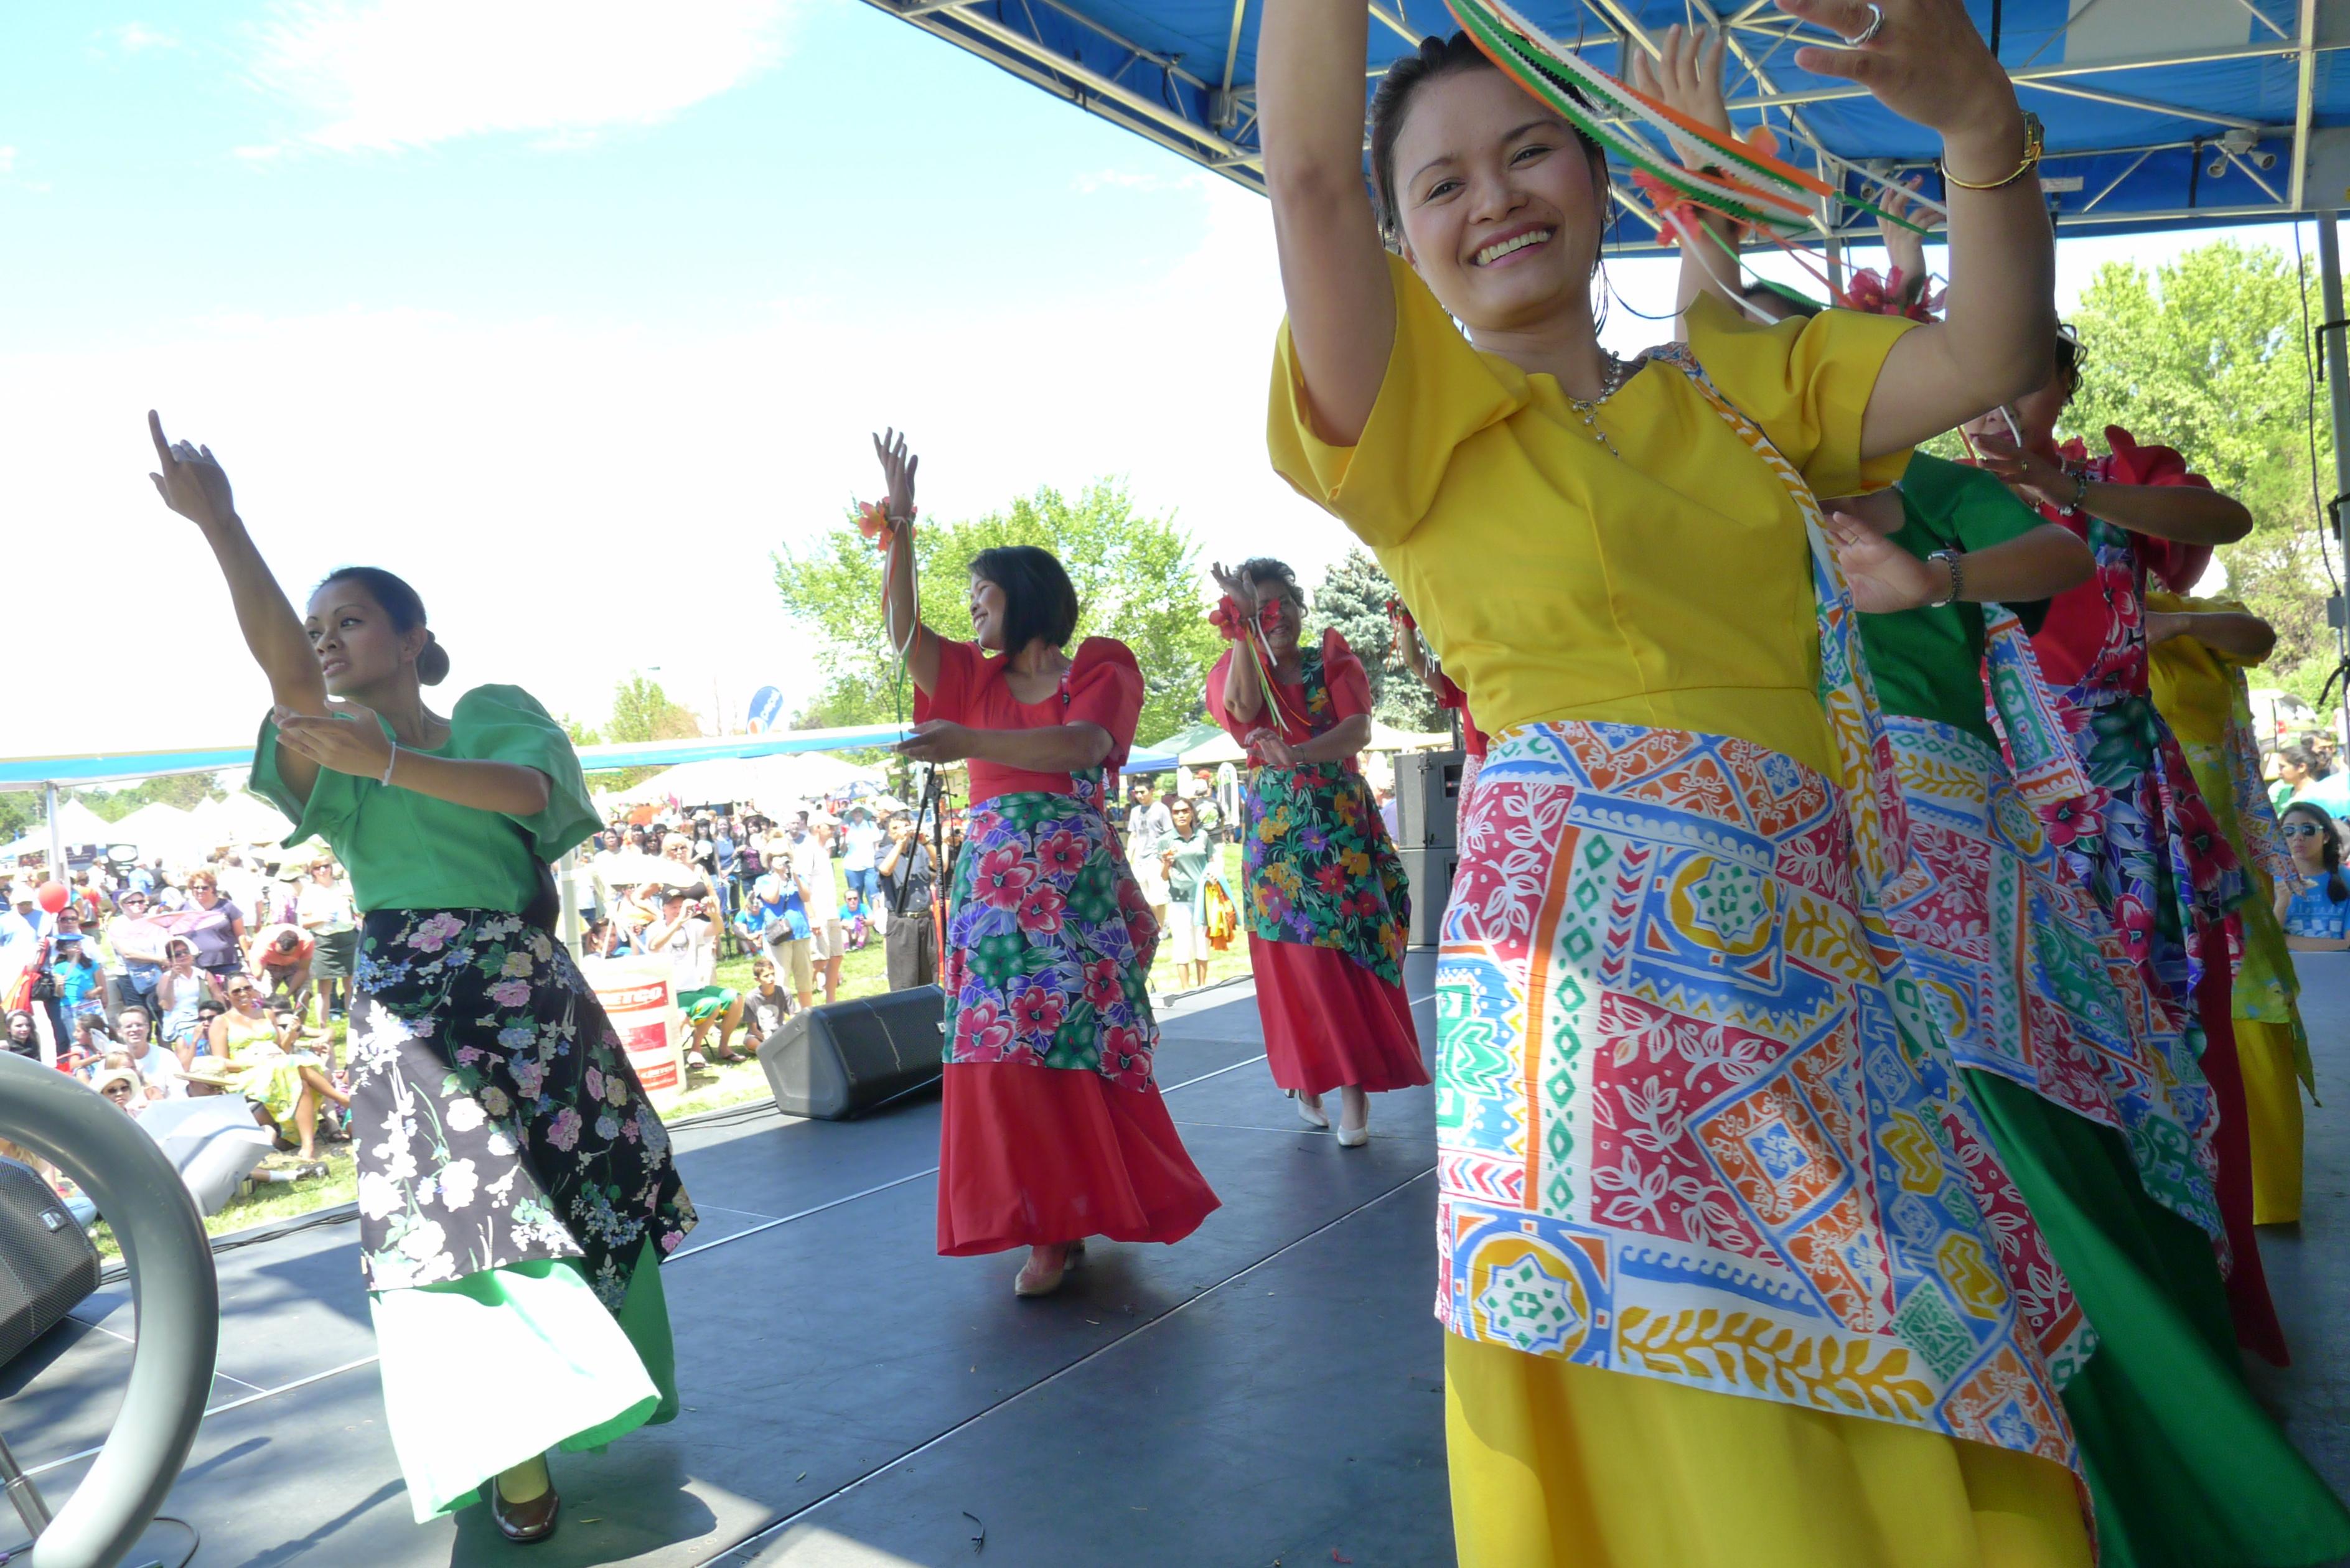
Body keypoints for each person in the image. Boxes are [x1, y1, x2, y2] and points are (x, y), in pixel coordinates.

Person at [1258, 1, 2104, 1558]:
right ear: (1397, 242)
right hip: (1583, 999)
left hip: (1810, 965)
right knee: (1673, 1408)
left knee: (1916, 1361)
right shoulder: (1403, 421)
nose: (1493, 197)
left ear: (1595, 178)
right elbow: (1306, 174)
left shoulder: (1736, 391)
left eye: (1527, 154)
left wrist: (1983, 133)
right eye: (1439, 184)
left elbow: (1992, 351)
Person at [148, 413, 693, 1540]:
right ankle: (512, 1449)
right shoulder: (330, 757)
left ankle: (570, 1410)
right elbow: (284, 672)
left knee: (575, 1204)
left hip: (529, 1000)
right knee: (451, 1224)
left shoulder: (490, 716)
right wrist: (223, 525)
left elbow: (527, 799)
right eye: (319, 626)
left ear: (413, 636)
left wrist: (397, 760)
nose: (329, 638)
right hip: (411, 1010)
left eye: (350, 618)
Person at [1960, 332, 2288, 1365]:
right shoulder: (1932, 498)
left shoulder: (2117, 481)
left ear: (2060, 388)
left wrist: (2070, 490)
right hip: (1992, 806)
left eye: (2020, 378)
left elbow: (2222, 519)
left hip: (2122, 811)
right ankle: (2050, 1305)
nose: (1994, 404)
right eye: (1973, 379)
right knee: (2020, 1050)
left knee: (2165, 1045)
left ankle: (2185, 1297)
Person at [874, 428, 1217, 1297]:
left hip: (1074, 888)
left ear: (1025, 601)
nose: (977, 613)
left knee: (1080, 1043)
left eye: (985, 597)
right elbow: (901, 629)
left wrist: (967, 742)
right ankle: (1044, 1224)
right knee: (1003, 1052)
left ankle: (1081, 1209)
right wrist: (903, 526)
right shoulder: (971, 679)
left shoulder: (1097, 668)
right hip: (995, 895)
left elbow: (1085, 743)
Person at [1206, 557, 1426, 1143]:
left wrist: (1301, 755)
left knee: (1349, 954)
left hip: (1339, 826)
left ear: (1301, 608)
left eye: (1283, 605)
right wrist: (1243, 631)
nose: (1277, 617)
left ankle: (1353, 1094)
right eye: (1263, 609)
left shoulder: (1330, 657)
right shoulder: (1233, 668)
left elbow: (1357, 730)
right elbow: (1247, 711)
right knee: (1297, 964)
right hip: (1277, 835)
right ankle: (1309, 1077)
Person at [2146, 600, 2321, 1228]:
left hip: (2209, 835)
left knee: (2249, 999)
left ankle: (2264, 1199)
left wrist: (2175, 624)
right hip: (2111, 823)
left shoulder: (2195, 612)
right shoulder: (2055, 595)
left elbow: (2259, 635)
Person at [206, 973, 348, 1160]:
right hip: (246, 1072)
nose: (243, 993)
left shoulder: (267, 1014)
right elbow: (221, 1062)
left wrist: (290, 1034)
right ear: (226, 995)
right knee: (290, 1065)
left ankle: (308, 1147)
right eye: (237, 990)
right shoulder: (221, 1021)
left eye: (247, 988)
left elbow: (282, 1048)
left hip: (280, 1066)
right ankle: (341, 1098)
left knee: (300, 1081)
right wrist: (256, 1062)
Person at [642, 890, 745, 1066]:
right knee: (711, 1003)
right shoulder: (656, 927)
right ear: (664, 908)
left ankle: (724, 1047)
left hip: (695, 986)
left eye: (681, 906)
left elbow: (718, 929)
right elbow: (653, 946)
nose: (678, 910)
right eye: (674, 907)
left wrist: (713, 914)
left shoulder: (692, 925)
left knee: (735, 998)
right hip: (673, 991)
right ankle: (695, 1050)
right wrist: (679, 921)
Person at [1158, 797, 1222, 991]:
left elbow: (1212, 860)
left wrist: (1214, 872)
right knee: (1182, 944)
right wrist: (1166, 863)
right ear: (1172, 815)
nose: (1181, 815)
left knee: (1203, 941)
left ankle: (1202, 986)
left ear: (1192, 813)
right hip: (1179, 899)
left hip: (1203, 897)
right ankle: (1186, 989)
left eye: (1185, 811)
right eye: (1176, 812)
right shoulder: (1165, 840)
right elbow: (1163, 876)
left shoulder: (1202, 836)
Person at [2277, 802, 2350, 950]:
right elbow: (2265, 943)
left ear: (2326, 836)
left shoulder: (2346, 878)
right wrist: (2281, 904)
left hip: (2338, 970)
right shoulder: (2272, 880)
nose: (2298, 837)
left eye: (2308, 830)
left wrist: (2286, 939)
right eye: (2289, 831)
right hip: (2289, 971)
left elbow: (2348, 944)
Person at [878, 812, 939, 991]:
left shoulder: (921, 850)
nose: (901, 831)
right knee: (904, 979)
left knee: (929, 976)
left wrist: (926, 842)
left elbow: (940, 865)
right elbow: (885, 870)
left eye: (904, 826)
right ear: (889, 834)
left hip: (925, 919)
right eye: (895, 829)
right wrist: (899, 844)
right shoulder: (884, 852)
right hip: (902, 922)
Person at [789, 817, 845, 1007]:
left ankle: (831, 1002)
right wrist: (811, 916)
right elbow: (802, 884)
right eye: (829, 826)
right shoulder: (807, 850)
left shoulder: (823, 850)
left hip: (831, 911)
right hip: (817, 913)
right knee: (819, 960)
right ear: (817, 828)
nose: (834, 829)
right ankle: (803, 1001)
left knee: (836, 956)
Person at [299, 857, 358, 1024]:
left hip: (348, 938)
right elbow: (304, 922)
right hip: (324, 942)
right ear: (312, 872)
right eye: (317, 868)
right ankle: (323, 1028)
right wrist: (321, 918)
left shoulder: (344, 887)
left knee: (351, 985)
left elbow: (359, 911)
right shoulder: (309, 891)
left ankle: (354, 1025)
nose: (322, 870)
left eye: (325, 866)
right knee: (324, 989)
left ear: (331, 868)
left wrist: (354, 901)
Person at [105, 887, 171, 1024]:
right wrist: (159, 959)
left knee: (161, 1018)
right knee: (139, 1017)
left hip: (155, 973)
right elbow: (127, 953)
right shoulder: (118, 925)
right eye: (132, 902)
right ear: (122, 905)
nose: (137, 905)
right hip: (130, 977)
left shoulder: (152, 921)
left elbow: (163, 942)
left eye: (140, 901)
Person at [176, 870, 246, 990]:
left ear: (213, 888)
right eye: (196, 888)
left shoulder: (227, 906)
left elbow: (241, 935)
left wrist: (247, 958)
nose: (200, 891)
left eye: (204, 888)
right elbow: (175, 935)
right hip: (196, 966)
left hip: (227, 963)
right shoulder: (183, 908)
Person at [2268, 742, 2350, 819]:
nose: (2278, 772)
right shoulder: (2282, 792)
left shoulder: (2320, 797)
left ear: (2301, 767)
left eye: (2282, 767)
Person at [246, 922, 316, 1012]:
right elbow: (257, 975)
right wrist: (263, 992)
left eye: (288, 954)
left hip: (295, 964)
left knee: (303, 996)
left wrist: (287, 995)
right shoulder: (264, 941)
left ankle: (298, 1025)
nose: (283, 957)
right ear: (276, 942)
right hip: (269, 965)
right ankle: (269, 1023)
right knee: (264, 996)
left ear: (297, 945)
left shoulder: (307, 940)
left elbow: (303, 970)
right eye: (280, 953)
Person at [839, 808, 886, 931]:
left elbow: (877, 846)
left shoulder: (871, 826)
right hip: (852, 865)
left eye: (860, 812)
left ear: (864, 814)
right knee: (856, 896)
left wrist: (878, 862)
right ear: (852, 815)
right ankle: (857, 925)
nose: (858, 814)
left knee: (874, 894)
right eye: (855, 812)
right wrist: (843, 836)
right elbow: (843, 850)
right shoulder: (849, 827)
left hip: (870, 864)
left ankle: (877, 924)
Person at [739, 958, 789, 1047]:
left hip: (779, 1031)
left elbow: (793, 1017)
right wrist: (767, 1039)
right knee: (750, 1042)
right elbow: (753, 1029)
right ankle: (769, 1049)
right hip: (760, 1035)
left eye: (773, 974)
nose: (772, 978)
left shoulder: (784, 992)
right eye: (766, 976)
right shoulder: (752, 997)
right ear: (757, 979)